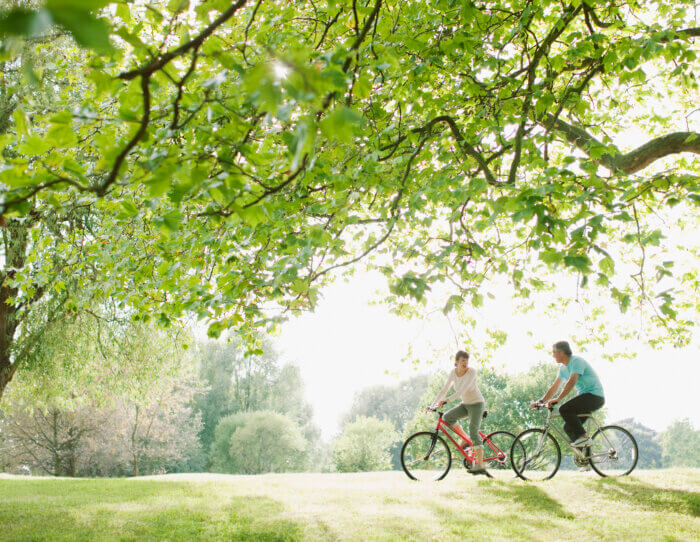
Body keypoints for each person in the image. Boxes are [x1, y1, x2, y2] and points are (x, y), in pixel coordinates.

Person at [531, 341, 605, 463]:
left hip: (595, 396)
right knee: (568, 427)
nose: (553, 355)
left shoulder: (576, 361)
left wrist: (558, 399)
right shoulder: (563, 368)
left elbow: (572, 381)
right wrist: (541, 401)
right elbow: (554, 387)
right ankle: (588, 458)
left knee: (564, 409)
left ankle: (585, 438)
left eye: (554, 352)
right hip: (585, 397)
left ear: (561, 353)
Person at [431, 350, 489, 475]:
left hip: (477, 404)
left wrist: (446, 400)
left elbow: (462, 390)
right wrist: (433, 405)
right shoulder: (453, 373)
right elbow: (444, 389)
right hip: (465, 405)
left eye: (467, 360)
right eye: (462, 360)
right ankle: (466, 439)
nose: (465, 363)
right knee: (447, 417)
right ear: (456, 362)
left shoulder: (471, 372)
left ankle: (480, 465)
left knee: (474, 431)